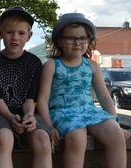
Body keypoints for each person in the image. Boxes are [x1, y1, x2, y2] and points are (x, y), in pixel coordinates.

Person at [36, 12, 131, 168]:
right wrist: (49, 126)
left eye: (82, 38)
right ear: (60, 41)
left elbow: (105, 98)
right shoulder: (52, 65)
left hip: (89, 111)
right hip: (63, 112)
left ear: (89, 40)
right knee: (77, 137)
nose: (77, 42)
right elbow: (42, 100)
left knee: (116, 134)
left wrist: (116, 122)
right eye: (71, 38)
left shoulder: (91, 65)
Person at [0, 6, 53, 168]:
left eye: (21, 33)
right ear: (1, 33)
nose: (15, 38)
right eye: (9, 32)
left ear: (29, 35)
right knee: (4, 138)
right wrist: (9, 117)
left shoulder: (34, 63)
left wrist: (29, 115)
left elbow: (30, 99)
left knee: (42, 138)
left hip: (25, 112)